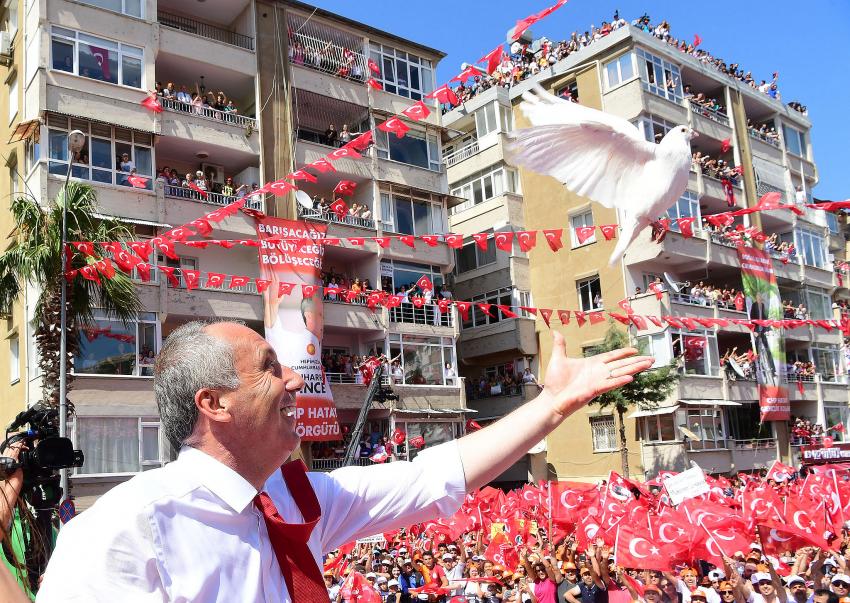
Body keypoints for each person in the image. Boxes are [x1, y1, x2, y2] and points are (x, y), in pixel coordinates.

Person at [37, 321, 650, 601]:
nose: (296, 381)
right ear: (214, 403)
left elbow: (431, 476)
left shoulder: (298, 504)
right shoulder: (119, 531)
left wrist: (552, 405)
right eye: (270, 370)